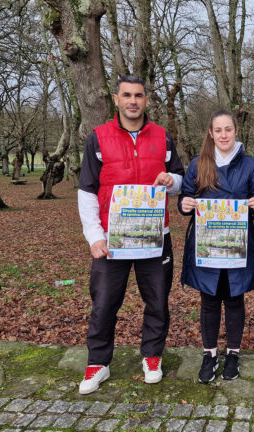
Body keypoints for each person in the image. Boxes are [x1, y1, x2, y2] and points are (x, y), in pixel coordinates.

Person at [77, 75, 185, 394]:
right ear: (116, 99)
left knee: (157, 302)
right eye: (127, 95)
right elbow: (87, 189)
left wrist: (172, 182)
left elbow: (180, 180)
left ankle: (152, 356)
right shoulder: (98, 138)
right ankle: (98, 363)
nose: (133, 101)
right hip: (113, 239)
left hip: (155, 238)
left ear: (147, 100)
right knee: (104, 303)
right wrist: (94, 236)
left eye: (139, 95)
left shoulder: (162, 137)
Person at [178, 110, 254, 383]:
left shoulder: (250, 165)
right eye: (219, 130)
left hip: (238, 244)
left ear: (235, 131)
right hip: (208, 244)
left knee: (235, 298)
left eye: (228, 129)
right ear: (211, 133)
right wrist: (185, 204)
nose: (224, 134)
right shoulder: (198, 164)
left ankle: (234, 354)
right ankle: (209, 354)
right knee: (209, 299)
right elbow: (186, 198)